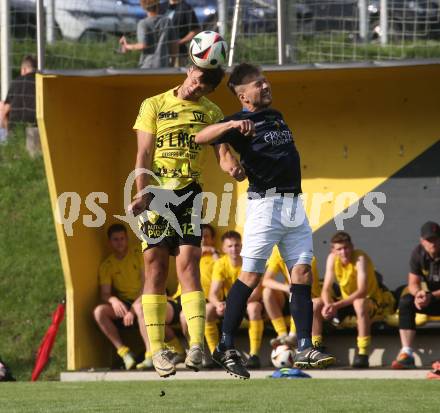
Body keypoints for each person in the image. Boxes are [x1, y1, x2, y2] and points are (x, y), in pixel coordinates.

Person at [195, 63, 335, 379]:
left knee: (301, 272)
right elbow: (202, 136)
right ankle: (225, 344)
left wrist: (234, 161)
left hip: (294, 204)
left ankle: (304, 346)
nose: (267, 86)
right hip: (265, 206)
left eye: (266, 81)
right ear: (243, 95)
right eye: (259, 84)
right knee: (251, 276)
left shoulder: (277, 115)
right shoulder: (235, 120)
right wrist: (231, 133)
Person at [128, 64, 234, 378]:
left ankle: (197, 345)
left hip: (189, 196)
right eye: (196, 80)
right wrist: (142, 191)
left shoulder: (212, 113)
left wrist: (236, 169)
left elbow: (224, 155)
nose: (195, 87)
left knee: (188, 264)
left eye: (203, 87)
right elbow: (143, 153)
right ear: (189, 70)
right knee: (155, 269)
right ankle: (157, 349)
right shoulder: (154, 104)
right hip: (156, 195)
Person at [321, 231, 395, 369]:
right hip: (346, 302)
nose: (344, 252)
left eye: (346, 248)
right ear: (333, 250)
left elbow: (362, 291)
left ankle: (363, 353)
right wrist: (328, 305)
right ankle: (316, 349)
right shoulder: (331, 259)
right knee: (316, 304)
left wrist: (336, 306)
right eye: (339, 249)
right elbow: (326, 289)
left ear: (352, 246)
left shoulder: (360, 258)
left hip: (373, 302)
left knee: (359, 303)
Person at [93, 224, 152, 370]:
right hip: (125, 303)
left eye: (122, 239)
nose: (119, 242)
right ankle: (125, 353)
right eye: (115, 239)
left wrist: (132, 310)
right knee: (99, 312)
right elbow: (105, 294)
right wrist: (113, 300)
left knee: (139, 308)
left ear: (127, 239)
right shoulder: (107, 265)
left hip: (143, 299)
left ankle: (151, 355)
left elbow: (147, 285)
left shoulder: (138, 254)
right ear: (110, 242)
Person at [208, 231, 264, 369]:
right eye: (230, 246)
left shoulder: (250, 261)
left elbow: (256, 293)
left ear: (242, 246)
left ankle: (254, 355)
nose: (234, 249)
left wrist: (236, 303)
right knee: (208, 309)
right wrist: (218, 304)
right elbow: (212, 293)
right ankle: (215, 354)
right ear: (223, 248)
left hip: (248, 301)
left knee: (254, 307)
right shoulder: (220, 264)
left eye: (237, 245)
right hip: (229, 303)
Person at [391, 221, 440, 369]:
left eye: (436, 239)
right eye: (429, 240)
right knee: (406, 301)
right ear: (422, 241)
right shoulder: (418, 253)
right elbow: (412, 283)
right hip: (433, 298)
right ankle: (407, 354)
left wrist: (430, 296)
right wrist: (418, 294)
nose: (433, 243)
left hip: (435, 296)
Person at [172, 224, 221, 360]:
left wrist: (214, 253)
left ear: (212, 239)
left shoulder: (217, 257)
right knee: (157, 314)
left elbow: (221, 273)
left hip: (206, 298)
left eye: (206, 236)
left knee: (187, 316)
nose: (203, 240)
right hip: (182, 297)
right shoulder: (187, 253)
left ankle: (202, 352)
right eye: (200, 236)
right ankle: (186, 350)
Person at [263, 246, 324, 350]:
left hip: (310, 298)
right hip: (290, 297)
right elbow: (266, 280)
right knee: (267, 292)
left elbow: (301, 288)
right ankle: (282, 334)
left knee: (298, 293)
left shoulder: (307, 255)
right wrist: (286, 288)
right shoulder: (278, 252)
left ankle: (299, 338)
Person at [119, 0, 178, 69]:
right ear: (158, 6)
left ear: (143, 8)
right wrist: (172, 62)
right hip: (163, 65)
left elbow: (142, 45)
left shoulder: (143, 23)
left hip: (148, 66)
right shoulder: (167, 21)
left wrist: (127, 46)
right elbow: (174, 45)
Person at [0, 55, 37, 137]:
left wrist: (6, 130)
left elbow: (6, 109)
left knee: (2, 105)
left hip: (15, 127)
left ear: (23, 69)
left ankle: (7, 137)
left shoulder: (15, 82)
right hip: (35, 126)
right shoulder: (40, 82)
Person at [160, 0, 200, 66]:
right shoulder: (161, 6)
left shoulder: (186, 7)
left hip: (179, 54)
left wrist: (179, 42)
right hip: (160, 54)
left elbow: (195, 30)